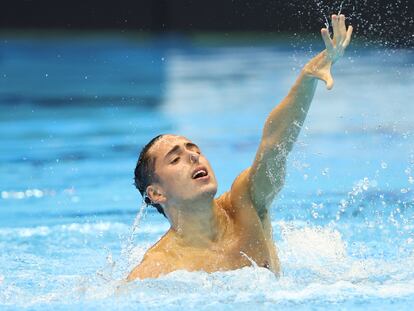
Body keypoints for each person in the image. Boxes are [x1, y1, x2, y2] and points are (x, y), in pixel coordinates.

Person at [127, 14, 353, 280]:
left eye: (194, 149)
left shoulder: (245, 202)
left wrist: (306, 79)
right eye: (175, 159)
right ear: (156, 193)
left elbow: (274, 145)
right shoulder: (157, 269)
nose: (192, 156)